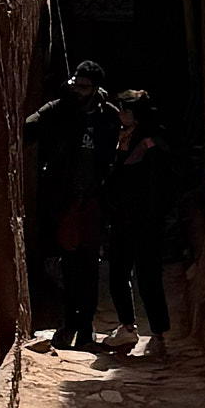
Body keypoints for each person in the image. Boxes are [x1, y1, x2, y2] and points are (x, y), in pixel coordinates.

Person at [23, 60, 113, 350]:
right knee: (67, 265)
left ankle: (85, 327)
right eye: (76, 84)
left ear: (95, 88)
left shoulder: (107, 116)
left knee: (88, 266)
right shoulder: (60, 108)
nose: (77, 90)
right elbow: (31, 126)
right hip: (63, 201)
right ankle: (69, 323)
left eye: (84, 86)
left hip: (93, 201)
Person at [99, 90, 176, 360]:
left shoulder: (152, 145)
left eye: (125, 110)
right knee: (118, 273)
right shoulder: (121, 139)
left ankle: (159, 335)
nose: (120, 115)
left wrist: (155, 217)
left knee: (148, 278)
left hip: (145, 222)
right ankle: (127, 326)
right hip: (122, 220)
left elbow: (158, 186)